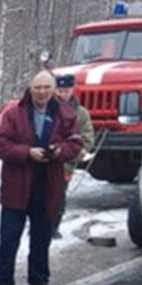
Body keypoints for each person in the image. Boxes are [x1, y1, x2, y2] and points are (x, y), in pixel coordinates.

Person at [0, 71, 82, 285]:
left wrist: (59, 151)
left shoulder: (65, 113)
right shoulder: (14, 113)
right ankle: (4, 280)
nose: (41, 92)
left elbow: (76, 143)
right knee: (9, 236)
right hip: (17, 184)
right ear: (30, 88)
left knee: (42, 236)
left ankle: (39, 278)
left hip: (48, 184)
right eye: (37, 88)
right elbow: (1, 145)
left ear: (52, 89)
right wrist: (27, 152)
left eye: (46, 88)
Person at [52, 73, 95, 239]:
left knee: (59, 197)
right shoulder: (47, 108)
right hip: (45, 161)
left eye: (66, 90)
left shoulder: (81, 113)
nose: (63, 94)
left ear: (72, 90)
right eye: (60, 90)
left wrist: (75, 154)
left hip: (66, 164)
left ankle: (54, 226)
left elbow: (87, 138)